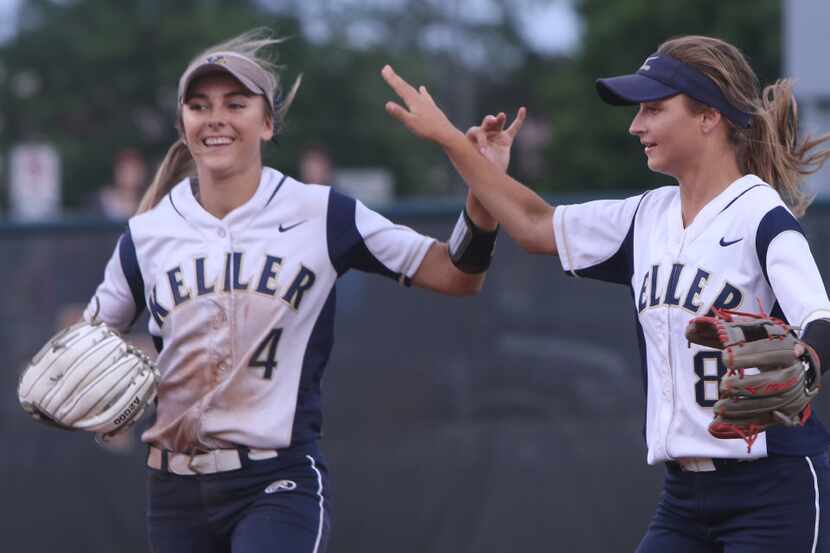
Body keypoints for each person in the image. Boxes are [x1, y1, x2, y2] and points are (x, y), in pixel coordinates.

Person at [382, 35, 830, 552]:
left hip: (774, 490)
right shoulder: (644, 218)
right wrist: (458, 147)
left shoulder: (760, 216)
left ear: (708, 116)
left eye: (654, 109)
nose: (636, 125)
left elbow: (818, 319)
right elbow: (533, 223)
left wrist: (806, 360)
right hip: (684, 499)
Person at [82, 29, 499, 553]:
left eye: (236, 103)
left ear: (269, 122)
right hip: (174, 493)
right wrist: (91, 382)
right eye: (199, 105)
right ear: (183, 125)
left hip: (275, 481)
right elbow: (91, 342)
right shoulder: (146, 234)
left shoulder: (323, 214)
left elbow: (457, 273)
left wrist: (481, 189)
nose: (216, 117)